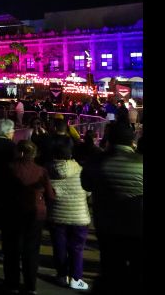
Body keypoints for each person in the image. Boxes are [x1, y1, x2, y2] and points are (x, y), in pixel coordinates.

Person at [80, 122, 142, 293]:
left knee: (111, 266)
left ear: (109, 138)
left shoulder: (96, 161)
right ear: (132, 140)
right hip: (137, 226)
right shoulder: (140, 162)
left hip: (107, 224)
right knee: (137, 268)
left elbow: (86, 185)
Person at [0, 140, 55, 295]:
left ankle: (12, 284)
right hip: (35, 214)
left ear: (21, 152)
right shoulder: (41, 170)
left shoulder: (10, 168)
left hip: (13, 213)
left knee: (12, 250)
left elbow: (1, 191)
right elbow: (50, 195)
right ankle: (31, 285)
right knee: (31, 251)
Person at [46, 135, 91, 290]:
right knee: (77, 248)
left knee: (59, 246)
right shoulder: (80, 170)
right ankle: (76, 278)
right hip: (79, 215)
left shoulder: (48, 170)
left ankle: (61, 275)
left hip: (56, 215)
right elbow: (88, 192)